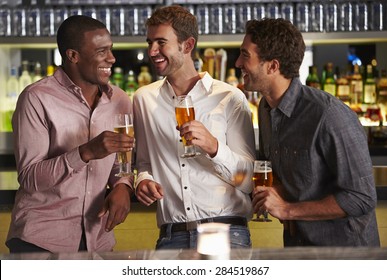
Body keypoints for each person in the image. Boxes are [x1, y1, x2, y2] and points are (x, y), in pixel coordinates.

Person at [235, 18, 380, 246]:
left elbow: (361, 198)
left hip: (346, 257)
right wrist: (278, 189)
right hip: (299, 248)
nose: (238, 63)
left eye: (245, 55)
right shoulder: (265, 109)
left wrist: (288, 210)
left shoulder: (329, 115)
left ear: (273, 66)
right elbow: (276, 171)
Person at [6, 15, 135, 253]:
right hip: (40, 241)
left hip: (98, 239)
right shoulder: (36, 98)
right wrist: (85, 152)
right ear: (73, 56)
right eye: (101, 51)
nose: (112, 58)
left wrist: (123, 186)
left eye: (111, 50)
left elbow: (121, 163)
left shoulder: (120, 100)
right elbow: (30, 178)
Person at [133, 5, 256, 249]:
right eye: (149, 43)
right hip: (171, 235)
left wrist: (214, 148)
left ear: (187, 45)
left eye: (160, 42)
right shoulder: (143, 98)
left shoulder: (230, 97)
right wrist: (143, 181)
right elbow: (144, 164)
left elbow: (249, 179)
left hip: (226, 233)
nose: (152, 51)